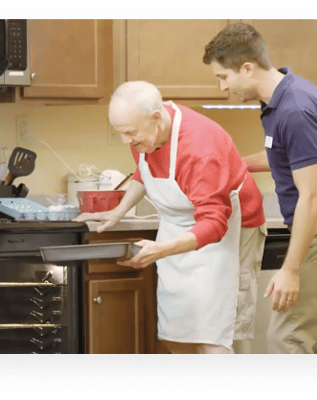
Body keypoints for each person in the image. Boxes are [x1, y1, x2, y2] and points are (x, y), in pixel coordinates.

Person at [203, 22, 317, 354]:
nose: (222, 87)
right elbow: (288, 155)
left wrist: (290, 270)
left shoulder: (294, 110)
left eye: (223, 77)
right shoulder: (285, 96)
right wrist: (234, 163)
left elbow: (312, 194)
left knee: (286, 338)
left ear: (247, 68)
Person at [75, 80, 267, 354]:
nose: (126, 141)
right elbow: (145, 168)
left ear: (156, 118)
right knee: (176, 331)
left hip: (228, 231)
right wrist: (118, 211)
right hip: (180, 229)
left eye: (130, 133)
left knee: (217, 333)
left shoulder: (200, 148)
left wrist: (161, 249)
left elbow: (214, 223)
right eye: (120, 133)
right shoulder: (146, 132)